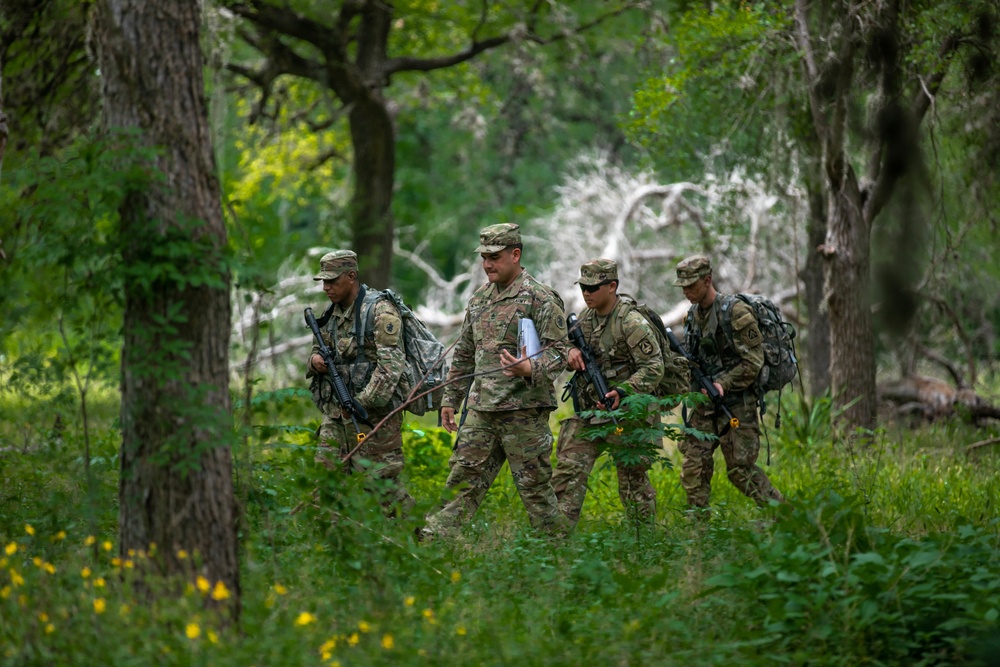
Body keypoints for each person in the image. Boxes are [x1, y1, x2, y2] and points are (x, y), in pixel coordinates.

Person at [422, 223, 570, 537]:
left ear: (515, 255)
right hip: (482, 409)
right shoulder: (479, 300)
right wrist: (451, 399)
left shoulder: (539, 298)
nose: (488, 263)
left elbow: (561, 353)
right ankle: (435, 538)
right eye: (484, 257)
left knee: (535, 490)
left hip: (523, 412)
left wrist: (530, 369)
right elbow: (463, 353)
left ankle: (556, 552)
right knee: (462, 478)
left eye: (495, 256)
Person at [551, 259, 676, 528]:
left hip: (629, 413)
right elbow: (562, 341)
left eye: (593, 287)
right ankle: (554, 541)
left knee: (633, 483)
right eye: (583, 287)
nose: (586, 293)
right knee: (568, 471)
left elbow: (654, 367)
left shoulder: (631, 322)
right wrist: (569, 350)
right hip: (593, 411)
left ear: (612, 286)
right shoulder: (585, 319)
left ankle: (643, 542)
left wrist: (623, 390)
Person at [672, 255, 785, 513]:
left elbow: (754, 361)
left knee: (740, 471)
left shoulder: (735, 312)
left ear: (708, 280)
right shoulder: (692, 316)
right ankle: (698, 535)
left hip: (735, 405)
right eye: (683, 287)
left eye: (691, 285)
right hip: (704, 405)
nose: (687, 291)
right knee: (693, 469)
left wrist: (723, 383)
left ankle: (783, 515)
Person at [306, 250, 414, 516]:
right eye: (323, 282)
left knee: (380, 485)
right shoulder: (330, 313)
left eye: (332, 281)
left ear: (351, 276)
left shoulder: (380, 311)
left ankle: (419, 536)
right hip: (335, 413)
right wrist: (315, 361)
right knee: (326, 477)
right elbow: (315, 352)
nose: (326, 288)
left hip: (371, 414)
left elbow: (390, 369)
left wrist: (359, 403)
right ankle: (332, 545)